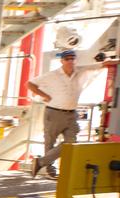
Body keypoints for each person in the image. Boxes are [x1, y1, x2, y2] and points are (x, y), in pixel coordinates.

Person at [28, 48, 118, 177]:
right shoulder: (52, 75)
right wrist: (45, 96)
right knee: (50, 142)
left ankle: (40, 162)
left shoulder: (81, 70)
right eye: (67, 59)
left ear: (75, 60)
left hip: (71, 113)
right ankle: (50, 169)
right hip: (54, 112)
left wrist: (117, 61)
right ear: (62, 61)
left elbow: (104, 64)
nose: (70, 61)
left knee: (71, 141)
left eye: (72, 58)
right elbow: (30, 84)